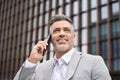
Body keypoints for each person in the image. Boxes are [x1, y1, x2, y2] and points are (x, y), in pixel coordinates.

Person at [14, 14, 111, 80]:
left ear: (73, 37)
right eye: (56, 30)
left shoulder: (94, 62)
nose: (62, 34)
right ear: (50, 39)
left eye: (66, 30)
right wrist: (32, 60)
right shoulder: (39, 68)